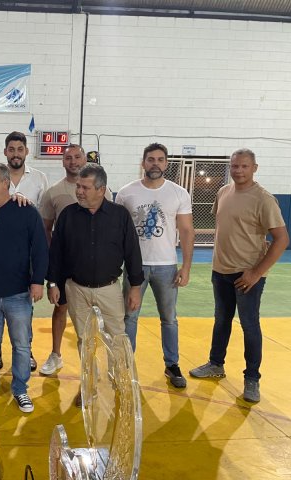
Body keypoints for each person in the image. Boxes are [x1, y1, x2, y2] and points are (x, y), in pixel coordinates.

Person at [189, 148, 289, 403]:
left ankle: (252, 378)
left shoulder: (264, 199)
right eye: (235, 166)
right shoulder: (223, 192)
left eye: (244, 166)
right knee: (221, 320)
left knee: (249, 325)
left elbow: (282, 239)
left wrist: (256, 273)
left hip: (247, 274)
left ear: (254, 168)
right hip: (220, 270)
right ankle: (216, 364)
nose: (239, 170)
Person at [46, 164, 144, 407]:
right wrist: (53, 282)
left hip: (109, 289)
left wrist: (135, 287)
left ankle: (121, 382)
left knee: (117, 338)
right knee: (84, 340)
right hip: (76, 289)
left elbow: (132, 252)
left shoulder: (120, 216)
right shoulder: (68, 215)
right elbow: (56, 252)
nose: (79, 191)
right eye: (78, 186)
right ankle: (88, 386)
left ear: (101, 190)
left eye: (85, 187)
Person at [115, 143, 195, 388]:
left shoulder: (178, 193)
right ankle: (125, 365)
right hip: (135, 267)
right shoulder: (126, 193)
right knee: (129, 316)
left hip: (166, 266)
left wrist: (186, 267)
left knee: (169, 318)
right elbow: (118, 232)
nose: (155, 164)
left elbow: (187, 231)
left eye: (160, 160)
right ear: (143, 163)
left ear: (166, 163)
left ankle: (172, 364)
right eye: (151, 159)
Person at [0, 163, 48, 414]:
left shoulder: (27, 211)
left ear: (6, 184)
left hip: (18, 293)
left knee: (22, 345)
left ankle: (20, 389)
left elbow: (40, 248)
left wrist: (38, 281)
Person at [37, 144, 112, 376]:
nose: (73, 161)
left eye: (77, 157)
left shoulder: (104, 192)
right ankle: (56, 354)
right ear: (63, 162)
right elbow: (46, 228)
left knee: (97, 314)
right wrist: (55, 257)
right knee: (60, 308)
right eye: (68, 158)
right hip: (65, 265)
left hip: (94, 265)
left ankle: (99, 361)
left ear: (84, 159)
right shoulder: (53, 192)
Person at [3, 131, 49, 371]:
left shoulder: (40, 179)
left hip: (26, 255)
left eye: (20, 149)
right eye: (11, 149)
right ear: (5, 152)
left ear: (26, 152)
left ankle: (26, 351)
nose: (16, 154)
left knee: (24, 307)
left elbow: (44, 219)